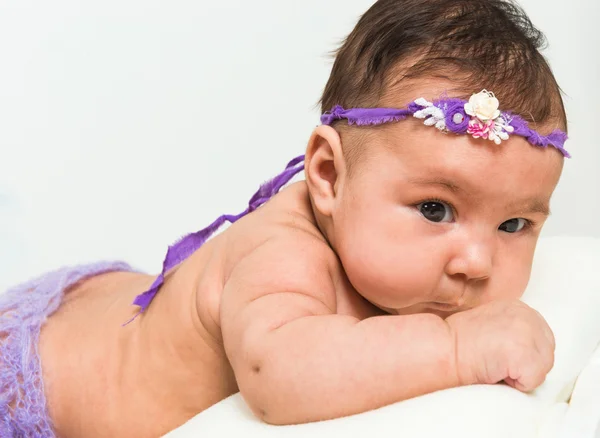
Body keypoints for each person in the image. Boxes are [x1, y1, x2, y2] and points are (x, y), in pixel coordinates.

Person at [0, 0, 570, 436]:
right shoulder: (286, 250)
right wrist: (455, 349)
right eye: (434, 210)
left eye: (514, 225)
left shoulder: (392, 260)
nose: (476, 262)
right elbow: (280, 378)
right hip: (47, 380)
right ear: (327, 175)